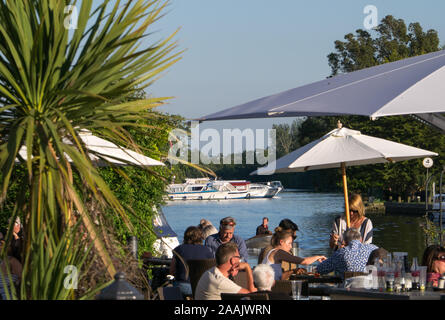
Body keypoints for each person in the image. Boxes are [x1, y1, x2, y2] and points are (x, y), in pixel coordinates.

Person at [262, 227, 326, 280]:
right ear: (281, 242)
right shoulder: (278, 252)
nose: (291, 246)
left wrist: (293, 271)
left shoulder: (273, 252)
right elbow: (305, 261)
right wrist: (318, 257)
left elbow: (280, 278)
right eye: (289, 243)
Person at [169, 226, 214, 297]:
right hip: (201, 287)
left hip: (182, 286)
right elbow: (212, 271)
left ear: (185, 237)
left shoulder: (179, 249)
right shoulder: (208, 250)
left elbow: (171, 271)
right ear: (200, 237)